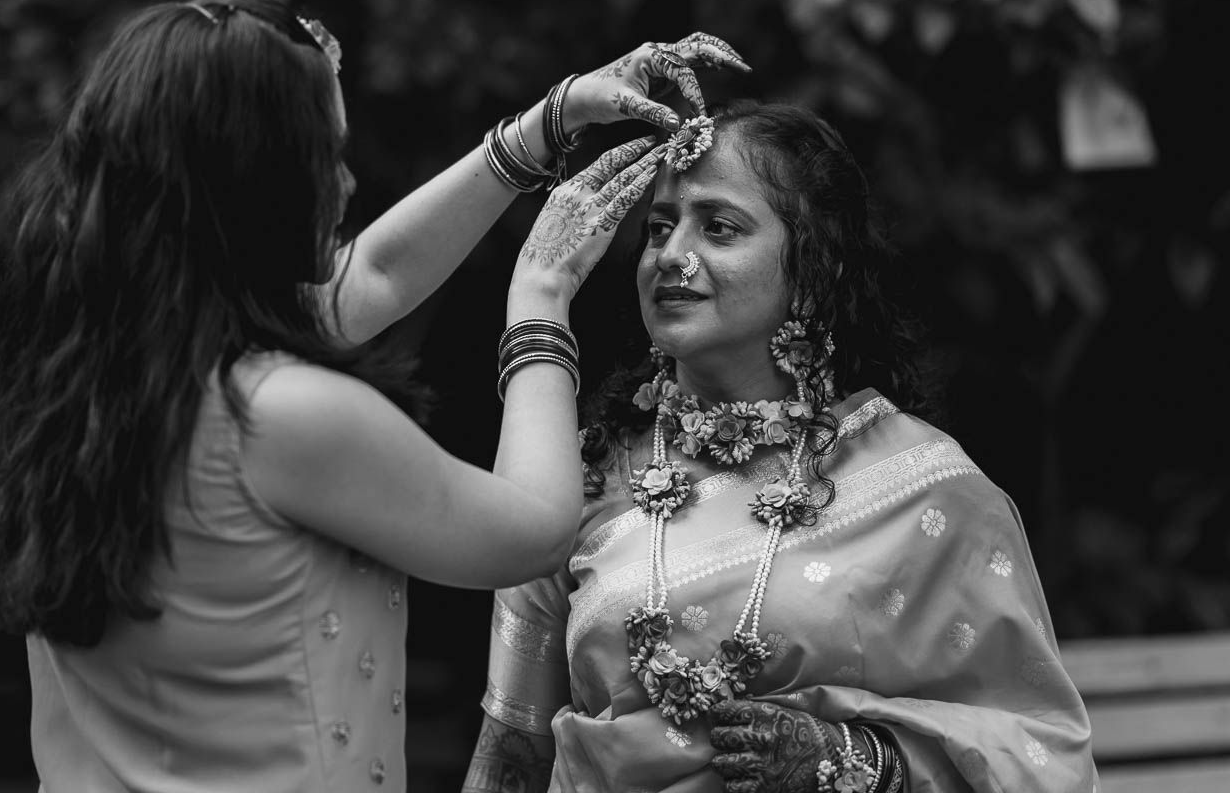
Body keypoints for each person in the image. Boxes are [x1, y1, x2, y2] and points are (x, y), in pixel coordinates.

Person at [0, 0, 749, 792]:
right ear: (255, 180)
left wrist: (553, 120)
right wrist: (540, 299)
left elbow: (373, 275)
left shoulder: (99, 370)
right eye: (325, 154)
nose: (345, 181)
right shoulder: (283, 414)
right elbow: (535, 530)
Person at [464, 101, 1098, 793]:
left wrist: (857, 761)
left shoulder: (928, 489)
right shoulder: (578, 479)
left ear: (817, 265)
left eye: (719, 227)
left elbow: (1039, 748)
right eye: (659, 228)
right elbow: (511, 752)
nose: (672, 255)